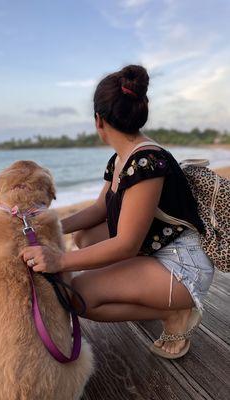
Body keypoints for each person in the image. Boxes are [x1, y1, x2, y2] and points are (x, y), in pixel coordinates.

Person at [20, 65, 215, 359]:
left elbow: (126, 244)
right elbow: (101, 209)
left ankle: (175, 313)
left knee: (77, 296)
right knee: (86, 237)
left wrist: (60, 260)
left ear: (98, 120)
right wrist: (49, 224)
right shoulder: (123, 157)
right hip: (160, 247)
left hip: (182, 265)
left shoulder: (147, 163)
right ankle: (147, 293)